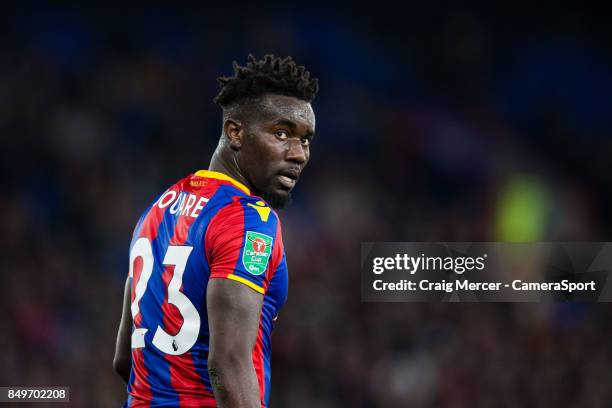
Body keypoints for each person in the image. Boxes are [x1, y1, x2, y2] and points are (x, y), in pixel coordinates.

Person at [113, 54, 318, 407]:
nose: (298, 154)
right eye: (281, 134)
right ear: (235, 132)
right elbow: (228, 363)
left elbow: (124, 361)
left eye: (306, 140)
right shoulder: (247, 218)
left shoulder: (157, 210)